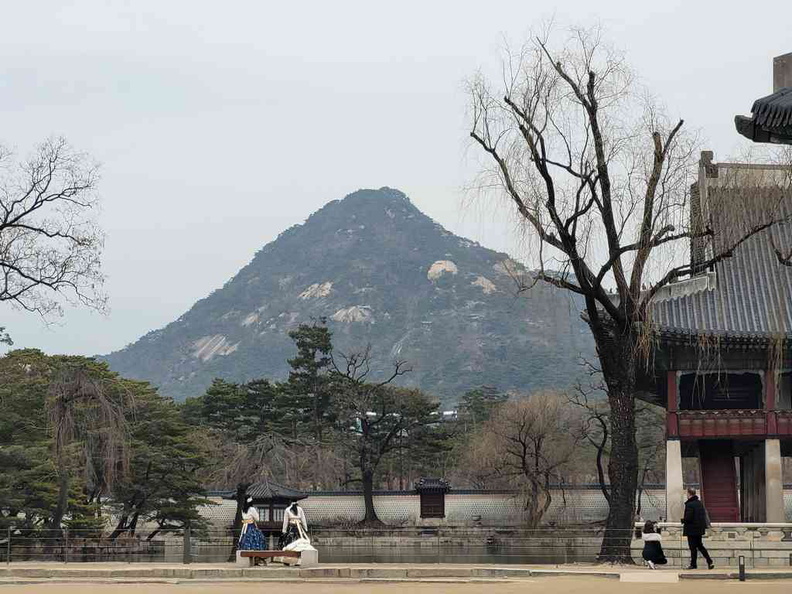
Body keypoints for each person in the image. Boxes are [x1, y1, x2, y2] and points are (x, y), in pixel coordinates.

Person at [681, 487, 714, 570]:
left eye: (687, 493)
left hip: (691, 529)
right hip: (699, 529)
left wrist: (683, 520)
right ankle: (709, 561)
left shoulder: (689, 504)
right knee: (700, 546)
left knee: (692, 548)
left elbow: (689, 517)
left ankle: (693, 564)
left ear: (689, 494)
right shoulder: (699, 503)